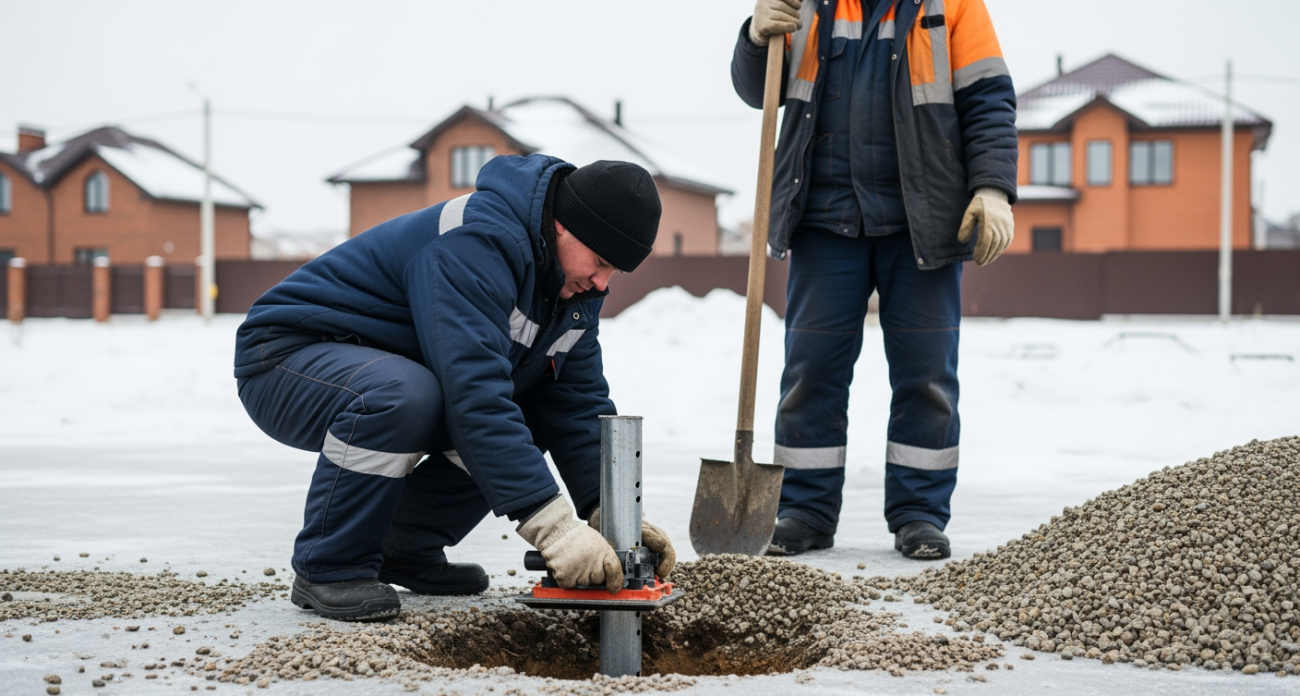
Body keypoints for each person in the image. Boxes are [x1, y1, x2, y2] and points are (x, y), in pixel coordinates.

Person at [233, 155, 677, 620]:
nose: (602, 282)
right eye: (600, 261)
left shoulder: (573, 291)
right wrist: (554, 528)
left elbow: (575, 402)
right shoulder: (478, 242)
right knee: (404, 395)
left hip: (389, 373)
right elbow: (474, 392)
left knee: (524, 413)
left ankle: (403, 544)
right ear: (564, 226)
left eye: (614, 273)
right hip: (286, 359)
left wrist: (607, 509)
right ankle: (329, 564)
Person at [732, 0, 1018, 559]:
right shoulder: (803, 5)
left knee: (927, 378)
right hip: (823, 217)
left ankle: (919, 514)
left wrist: (993, 186)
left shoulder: (951, 6)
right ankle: (804, 511)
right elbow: (754, 88)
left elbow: (988, 97)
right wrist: (752, 34)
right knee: (810, 373)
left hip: (925, 221)